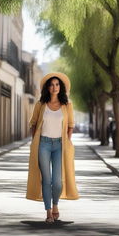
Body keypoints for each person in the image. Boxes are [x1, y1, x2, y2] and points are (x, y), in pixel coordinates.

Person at [26, 72, 79, 224]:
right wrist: (34, 141)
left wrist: (68, 140)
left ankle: (56, 204)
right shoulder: (40, 105)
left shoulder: (67, 105)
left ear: (60, 87)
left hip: (59, 146)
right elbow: (33, 123)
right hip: (43, 144)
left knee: (57, 181)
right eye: (51, 84)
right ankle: (49, 212)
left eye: (57, 84)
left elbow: (70, 125)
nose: (54, 87)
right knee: (46, 179)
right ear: (47, 88)